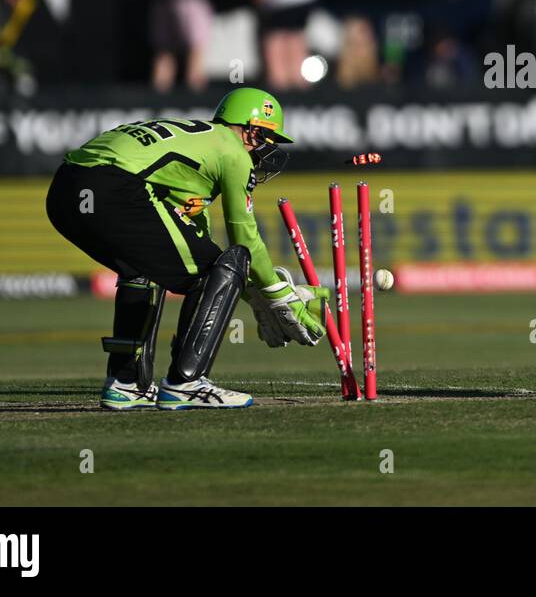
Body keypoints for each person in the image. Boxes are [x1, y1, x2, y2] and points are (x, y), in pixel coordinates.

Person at [45, 87, 327, 410]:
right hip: (114, 188)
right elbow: (243, 240)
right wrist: (276, 292)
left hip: (65, 190)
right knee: (230, 261)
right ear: (250, 131)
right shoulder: (232, 150)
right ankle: (185, 382)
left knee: (144, 265)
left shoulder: (196, 147)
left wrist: (252, 294)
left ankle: (127, 383)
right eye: (264, 139)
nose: (263, 150)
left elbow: (200, 246)